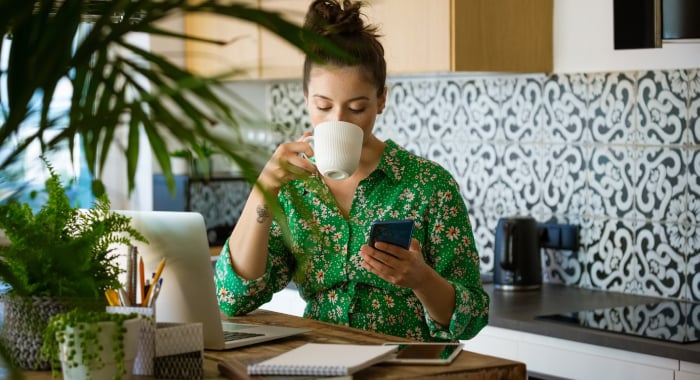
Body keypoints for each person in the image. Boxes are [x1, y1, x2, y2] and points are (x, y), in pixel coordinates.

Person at [215, 0, 489, 342]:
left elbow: (472, 318)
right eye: (323, 106)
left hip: (405, 368)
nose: (338, 121)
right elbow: (232, 298)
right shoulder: (295, 185)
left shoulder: (428, 185)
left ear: (381, 100)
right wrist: (263, 191)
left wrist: (421, 280)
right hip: (318, 364)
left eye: (357, 108)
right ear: (306, 99)